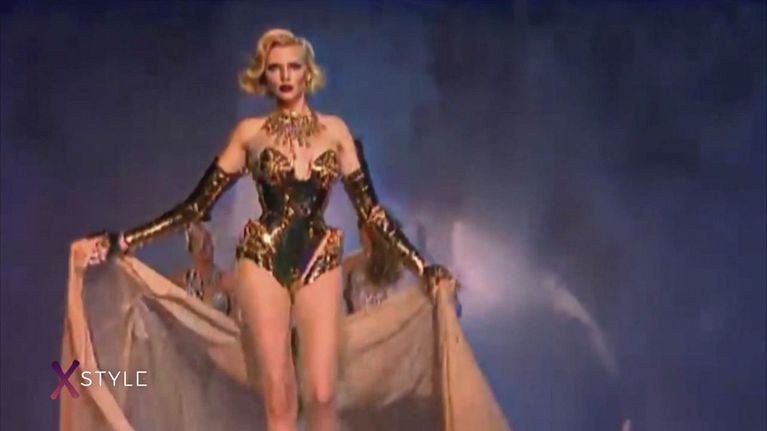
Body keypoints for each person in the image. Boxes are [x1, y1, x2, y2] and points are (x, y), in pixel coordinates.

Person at [82, 28, 456, 431]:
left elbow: (373, 212)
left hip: (318, 256)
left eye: (293, 67)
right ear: (264, 75)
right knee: (278, 394)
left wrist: (422, 266)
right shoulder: (250, 133)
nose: (285, 76)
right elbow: (196, 206)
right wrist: (123, 240)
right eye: (275, 68)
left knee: (322, 394)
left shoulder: (335, 131)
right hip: (262, 255)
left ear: (308, 72)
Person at [171, 222, 237, 319]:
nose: (204, 248)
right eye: (198, 243)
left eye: (207, 241)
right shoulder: (180, 281)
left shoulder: (226, 279)